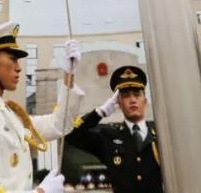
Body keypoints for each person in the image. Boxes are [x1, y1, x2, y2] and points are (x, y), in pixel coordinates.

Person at [0, 21, 84, 193]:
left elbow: (58, 125)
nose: (19, 68)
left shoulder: (9, 115)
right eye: (13, 59)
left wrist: (69, 74)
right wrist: (41, 192)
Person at [65, 65, 163, 193]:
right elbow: (70, 135)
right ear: (118, 103)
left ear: (145, 101)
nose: (132, 100)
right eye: (126, 96)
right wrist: (100, 112)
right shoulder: (109, 136)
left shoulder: (161, 136)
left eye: (137, 94)